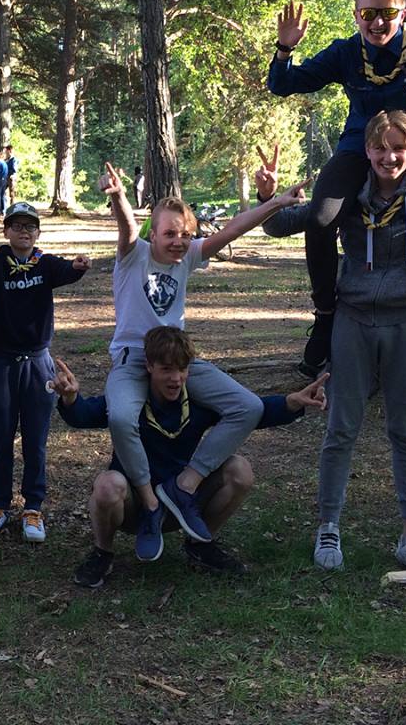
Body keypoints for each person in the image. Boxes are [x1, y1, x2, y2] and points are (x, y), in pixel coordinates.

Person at [99, 162, 306, 561]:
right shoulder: (133, 256)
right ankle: (150, 500)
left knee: (247, 407)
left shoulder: (189, 257)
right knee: (122, 417)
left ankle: (185, 486)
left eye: (185, 234)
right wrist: (119, 196)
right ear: (153, 233)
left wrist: (277, 203)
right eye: (170, 234)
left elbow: (232, 230)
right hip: (134, 359)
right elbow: (125, 227)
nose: (178, 241)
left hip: (177, 359)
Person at [259, 110, 406, 572]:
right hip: (353, 319)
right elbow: (285, 225)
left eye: (399, 148)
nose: (389, 157)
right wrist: (269, 197)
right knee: (341, 427)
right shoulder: (346, 194)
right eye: (380, 148)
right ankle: (329, 526)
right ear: (367, 150)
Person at [51, 330, 327, 584]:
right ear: (149, 367)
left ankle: (200, 546)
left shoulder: (197, 402)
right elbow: (83, 416)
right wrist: (70, 398)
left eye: (182, 369)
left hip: (183, 503)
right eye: (166, 369)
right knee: (107, 484)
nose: (175, 378)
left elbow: (253, 412)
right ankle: (102, 553)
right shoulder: (128, 401)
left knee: (240, 470)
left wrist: (292, 402)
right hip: (135, 507)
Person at [268, 0, 406, 377]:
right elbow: (282, 84)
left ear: (404, 12)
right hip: (362, 145)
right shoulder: (346, 52)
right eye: (368, 13)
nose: (378, 22)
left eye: (388, 13)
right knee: (320, 218)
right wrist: (285, 49)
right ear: (356, 15)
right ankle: (326, 315)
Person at [0, 202, 90, 542]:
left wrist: (78, 266)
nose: (24, 231)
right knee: (0, 435)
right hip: (2, 363)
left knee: (36, 438)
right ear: (6, 231)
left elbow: (68, 269)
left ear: (38, 232)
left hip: (38, 364)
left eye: (30, 226)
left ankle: (33, 508)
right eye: (17, 226)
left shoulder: (45, 264)